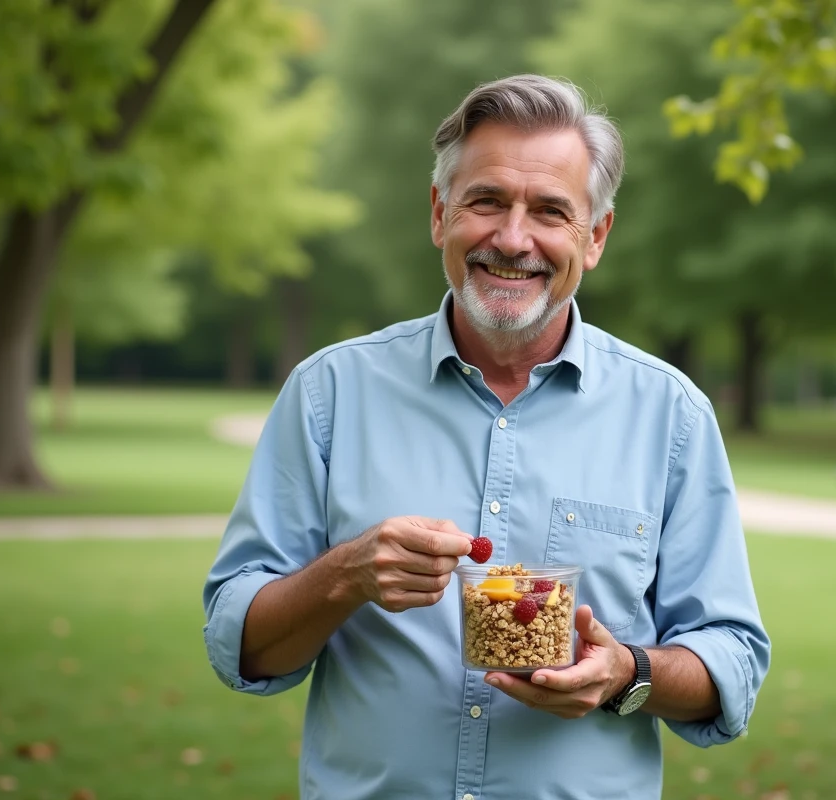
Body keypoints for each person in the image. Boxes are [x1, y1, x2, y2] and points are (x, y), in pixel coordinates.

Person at [203, 73, 770, 800]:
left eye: (550, 211)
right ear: (440, 214)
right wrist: (345, 575)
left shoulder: (673, 417)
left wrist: (625, 675)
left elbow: (731, 659)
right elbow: (237, 641)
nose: (512, 238)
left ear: (594, 236)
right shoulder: (328, 395)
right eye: (487, 201)